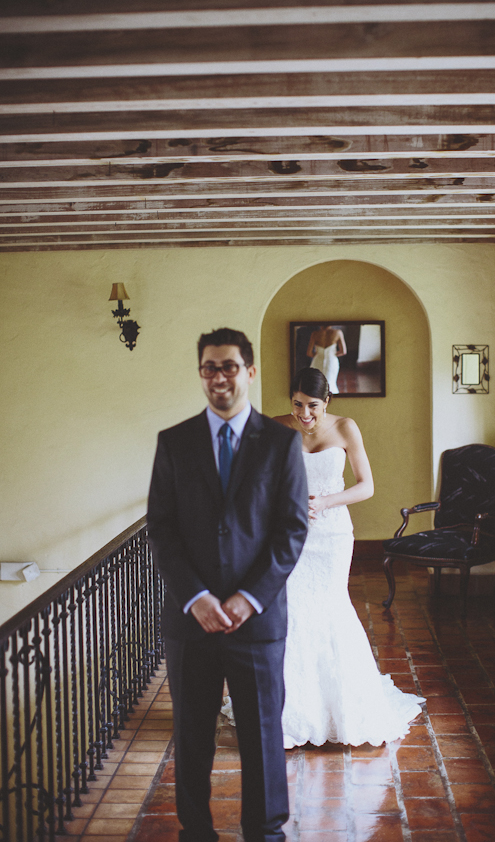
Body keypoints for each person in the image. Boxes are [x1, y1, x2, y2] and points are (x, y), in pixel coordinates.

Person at [147, 328, 308, 842]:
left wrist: (249, 597)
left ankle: (265, 833)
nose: (219, 377)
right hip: (190, 622)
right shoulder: (173, 442)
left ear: (250, 372)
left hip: (257, 621)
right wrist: (196, 597)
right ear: (201, 375)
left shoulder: (281, 443)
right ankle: (196, 832)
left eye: (230, 366)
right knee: (192, 737)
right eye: (209, 368)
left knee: (261, 737)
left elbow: (291, 528)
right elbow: (163, 526)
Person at [273, 367, 425, 748]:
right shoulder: (276, 427)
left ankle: (340, 706)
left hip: (331, 535)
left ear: (327, 402)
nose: (304, 415)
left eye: (312, 406)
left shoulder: (346, 428)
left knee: (329, 608)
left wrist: (324, 501)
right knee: (290, 611)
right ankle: (292, 710)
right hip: (289, 533)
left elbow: (367, 486)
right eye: (297, 405)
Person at [306, 325, 347, 394]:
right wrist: (332, 354)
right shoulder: (338, 332)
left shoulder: (315, 334)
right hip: (331, 360)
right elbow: (343, 351)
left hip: (318, 360)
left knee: (316, 383)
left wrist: (318, 354)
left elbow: (309, 353)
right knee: (330, 383)